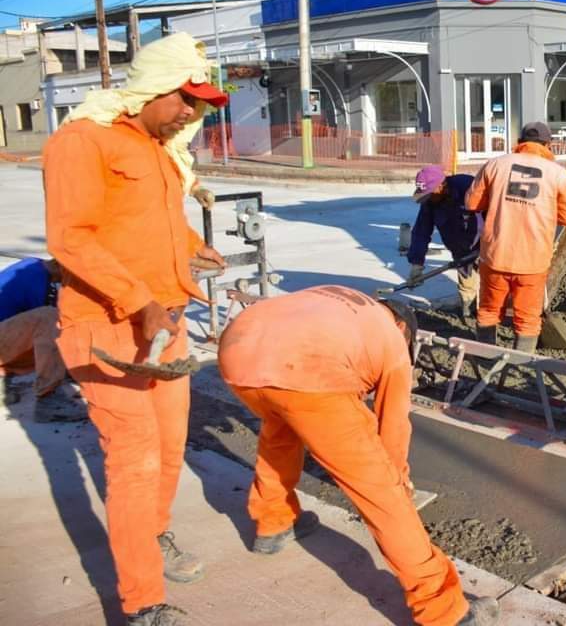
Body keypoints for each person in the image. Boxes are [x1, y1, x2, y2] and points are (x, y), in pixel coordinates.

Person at [43, 32, 229, 626]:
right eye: (185, 101)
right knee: (134, 462)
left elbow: (151, 224)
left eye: (198, 105)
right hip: (107, 329)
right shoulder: (83, 141)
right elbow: (71, 237)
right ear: (154, 89)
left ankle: (155, 535)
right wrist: (136, 298)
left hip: (165, 324)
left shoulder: (157, 148)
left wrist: (194, 250)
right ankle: (143, 601)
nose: (190, 114)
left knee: (170, 450)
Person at [217, 287, 499, 626]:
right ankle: (444, 609)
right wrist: (397, 481)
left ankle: (273, 522)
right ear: (403, 329)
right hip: (305, 369)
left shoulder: (346, 301)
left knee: (282, 431)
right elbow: (392, 427)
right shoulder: (393, 341)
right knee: (381, 492)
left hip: (237, 354)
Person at [464, 122, 566, 352]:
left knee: (488, 310)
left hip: (495, 255)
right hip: (533, 261)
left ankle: (486, 357)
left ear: (520, 143)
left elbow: (472, 203)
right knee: (527, 318)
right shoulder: (558, 174)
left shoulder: (495, 165)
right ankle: (521, 363)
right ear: (548, 145)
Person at [408, 165, 481, 315]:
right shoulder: (430, 203)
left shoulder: (467, 187)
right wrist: (417, 264)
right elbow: (421, 232)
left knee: (493, 289)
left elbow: (493, 214)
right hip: (460, 252)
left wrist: (491, 243)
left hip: (484, 247)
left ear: (441, 185)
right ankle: (468, 310)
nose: (428, 198)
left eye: (430, 193)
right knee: (467, 292)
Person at [0, 257, 67, 406]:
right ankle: (48, 399)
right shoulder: (35, 280)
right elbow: (52, 331)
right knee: (50, 318)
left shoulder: (33, 264)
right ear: (60, 266)